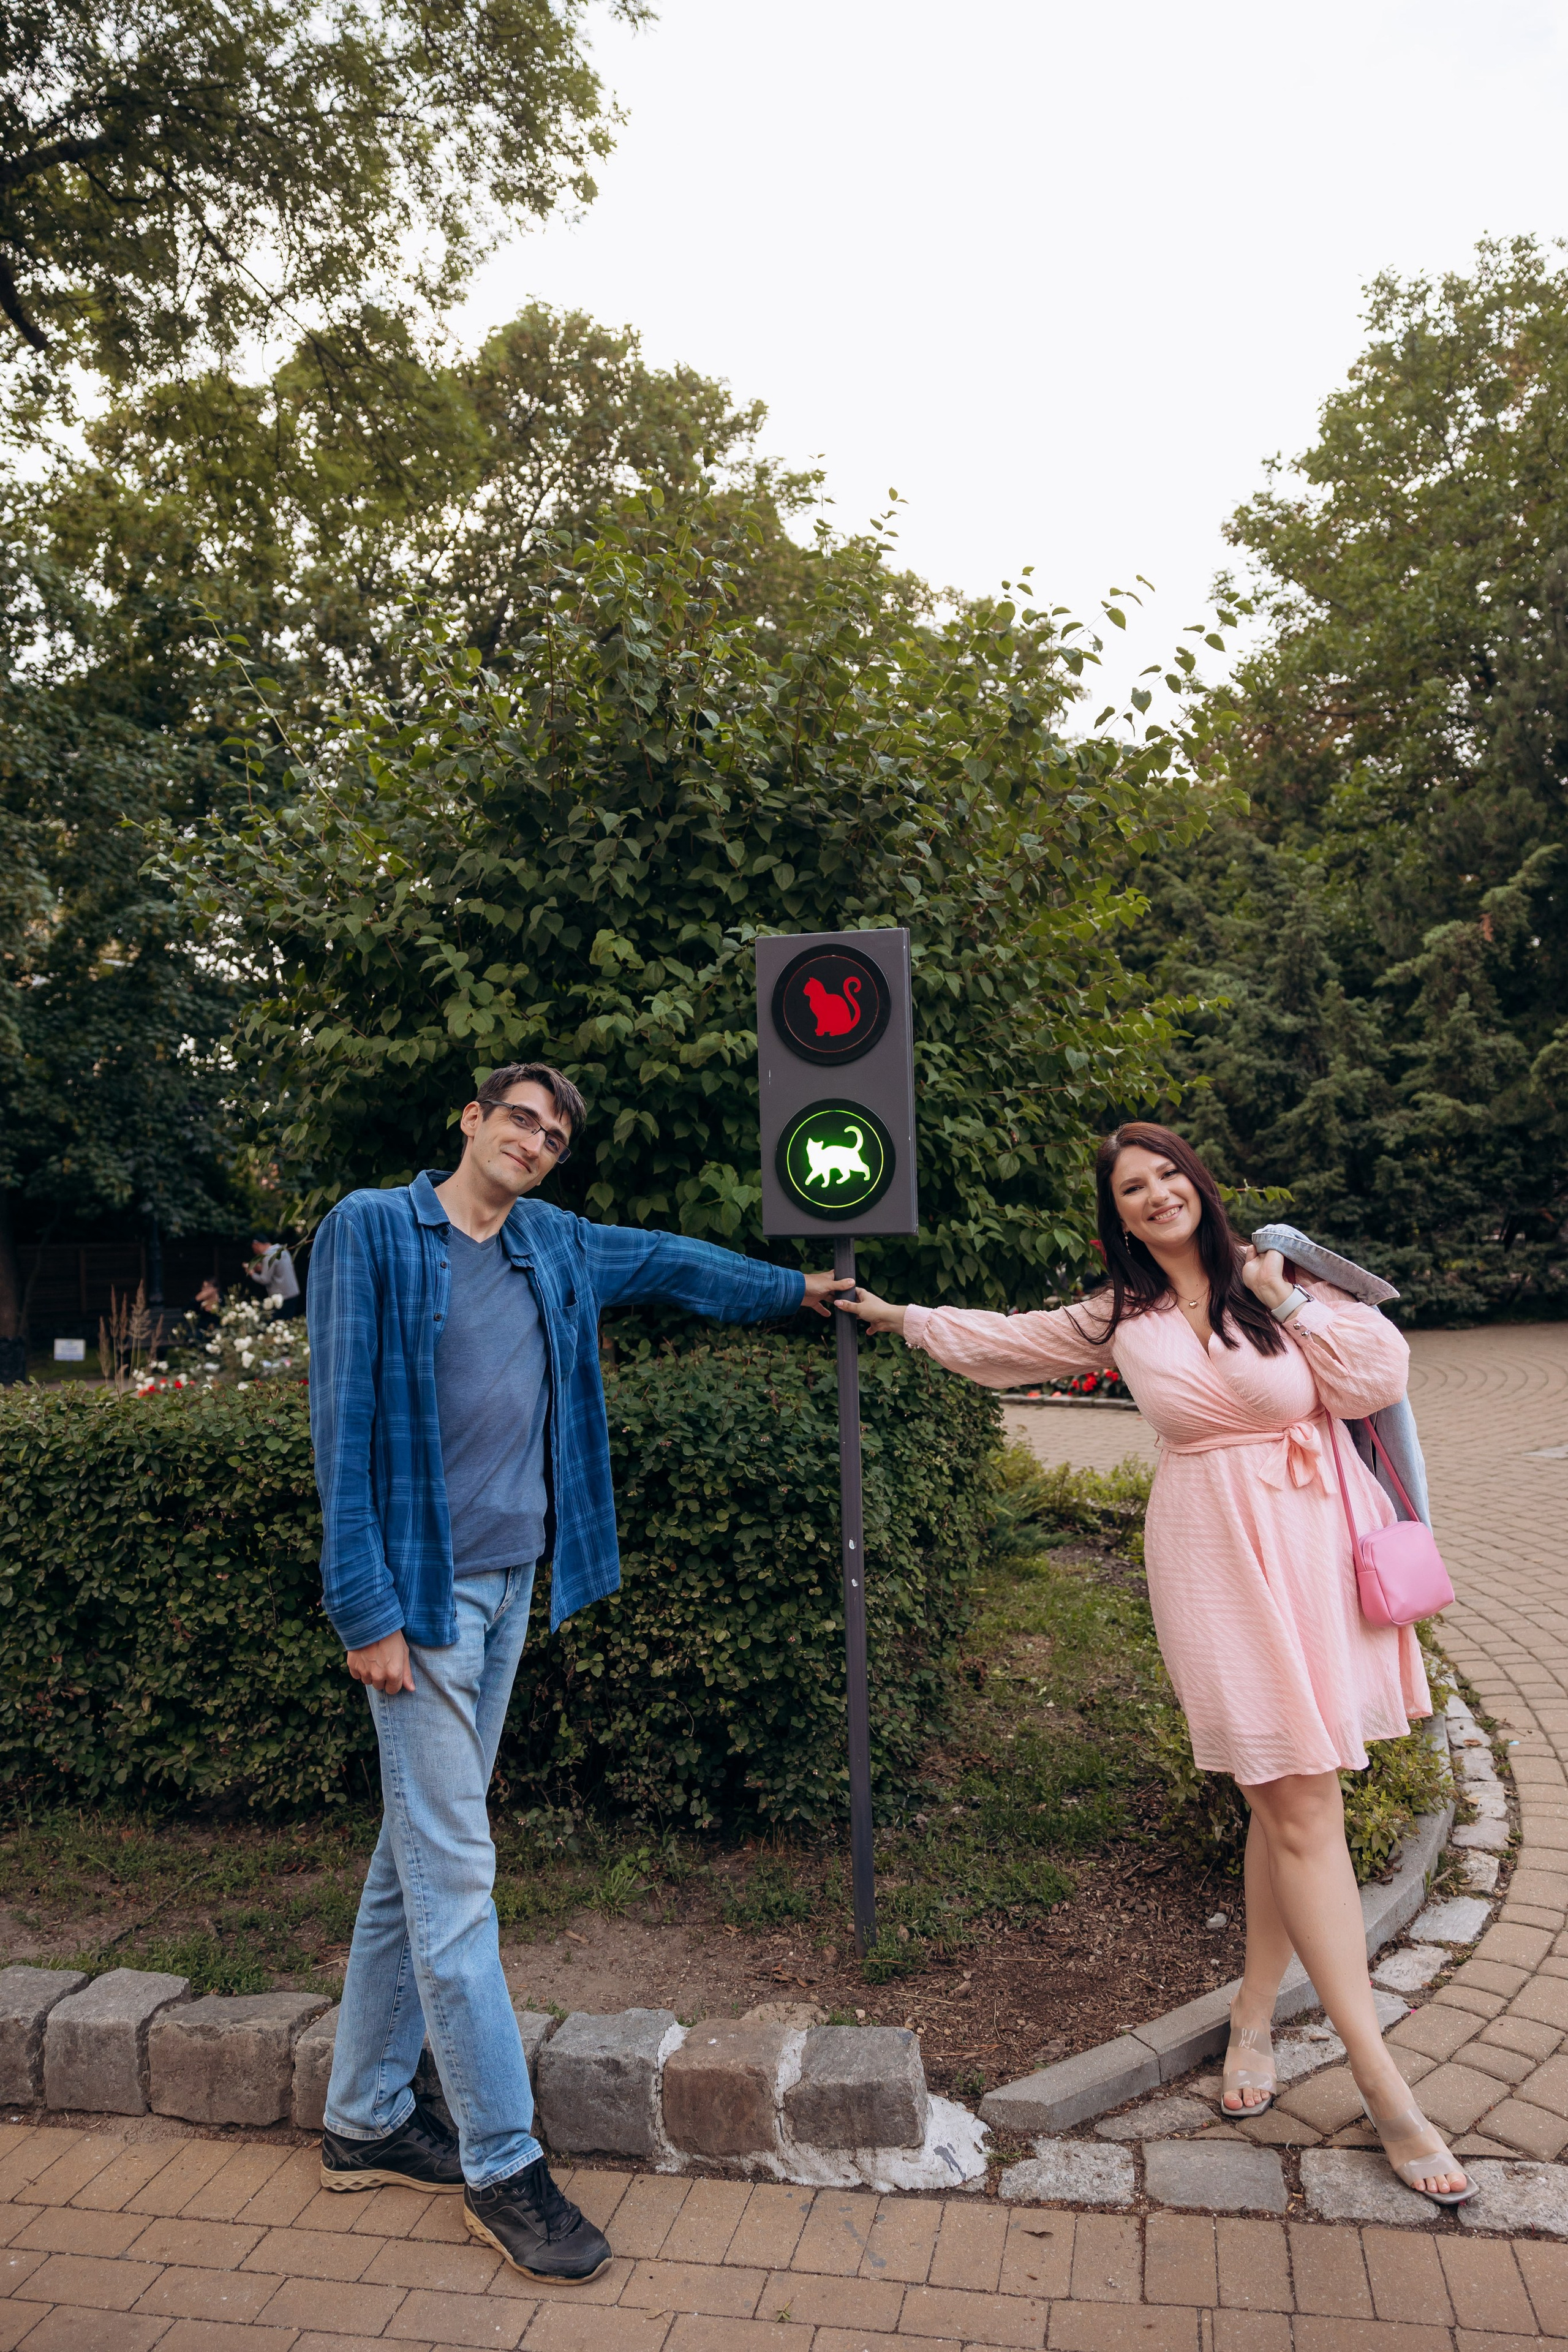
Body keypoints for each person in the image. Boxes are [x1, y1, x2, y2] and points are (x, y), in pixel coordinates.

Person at [834, 1120, 1472, 2209]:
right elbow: (1012, 1340)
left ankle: (1257, 2020)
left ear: (1198, 1183)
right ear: (1117, 1214)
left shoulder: (1271, 1274)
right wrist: (902, 1318)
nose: (1156, 1194)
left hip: (1316, 1555)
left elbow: (1375, 1377)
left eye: (1169, 1173)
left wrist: (1288, 1299)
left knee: (1291, 1809)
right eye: (1133, 1187)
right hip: (1217, 1568)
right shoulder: (1120, 1316)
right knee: (1295, 1802)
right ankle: (1383, 2084)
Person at [306, 1061, 846, 2280]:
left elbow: (666, 1264)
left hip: (507, 1587)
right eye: (518, 1120)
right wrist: (364, 1610)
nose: (534, 1142)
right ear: (470, 1119)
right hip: (422, 1597)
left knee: (415, 1856)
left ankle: (364, 2120)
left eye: (552, 1135)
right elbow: (338, 1426)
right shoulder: (374, 1231)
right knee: (455, 1878)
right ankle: (503, 2163)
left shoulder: (547, 1243)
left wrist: (794, 1290)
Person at [248, 1238, 303, 1317]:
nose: (255, 1252)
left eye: (254, 1248)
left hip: (282, 1298)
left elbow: (265, 1280)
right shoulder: (282, 1249)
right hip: (293, 1292)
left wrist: (252, 1273)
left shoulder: (269, 1255)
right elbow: (280, 1269)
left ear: (257, 1244)